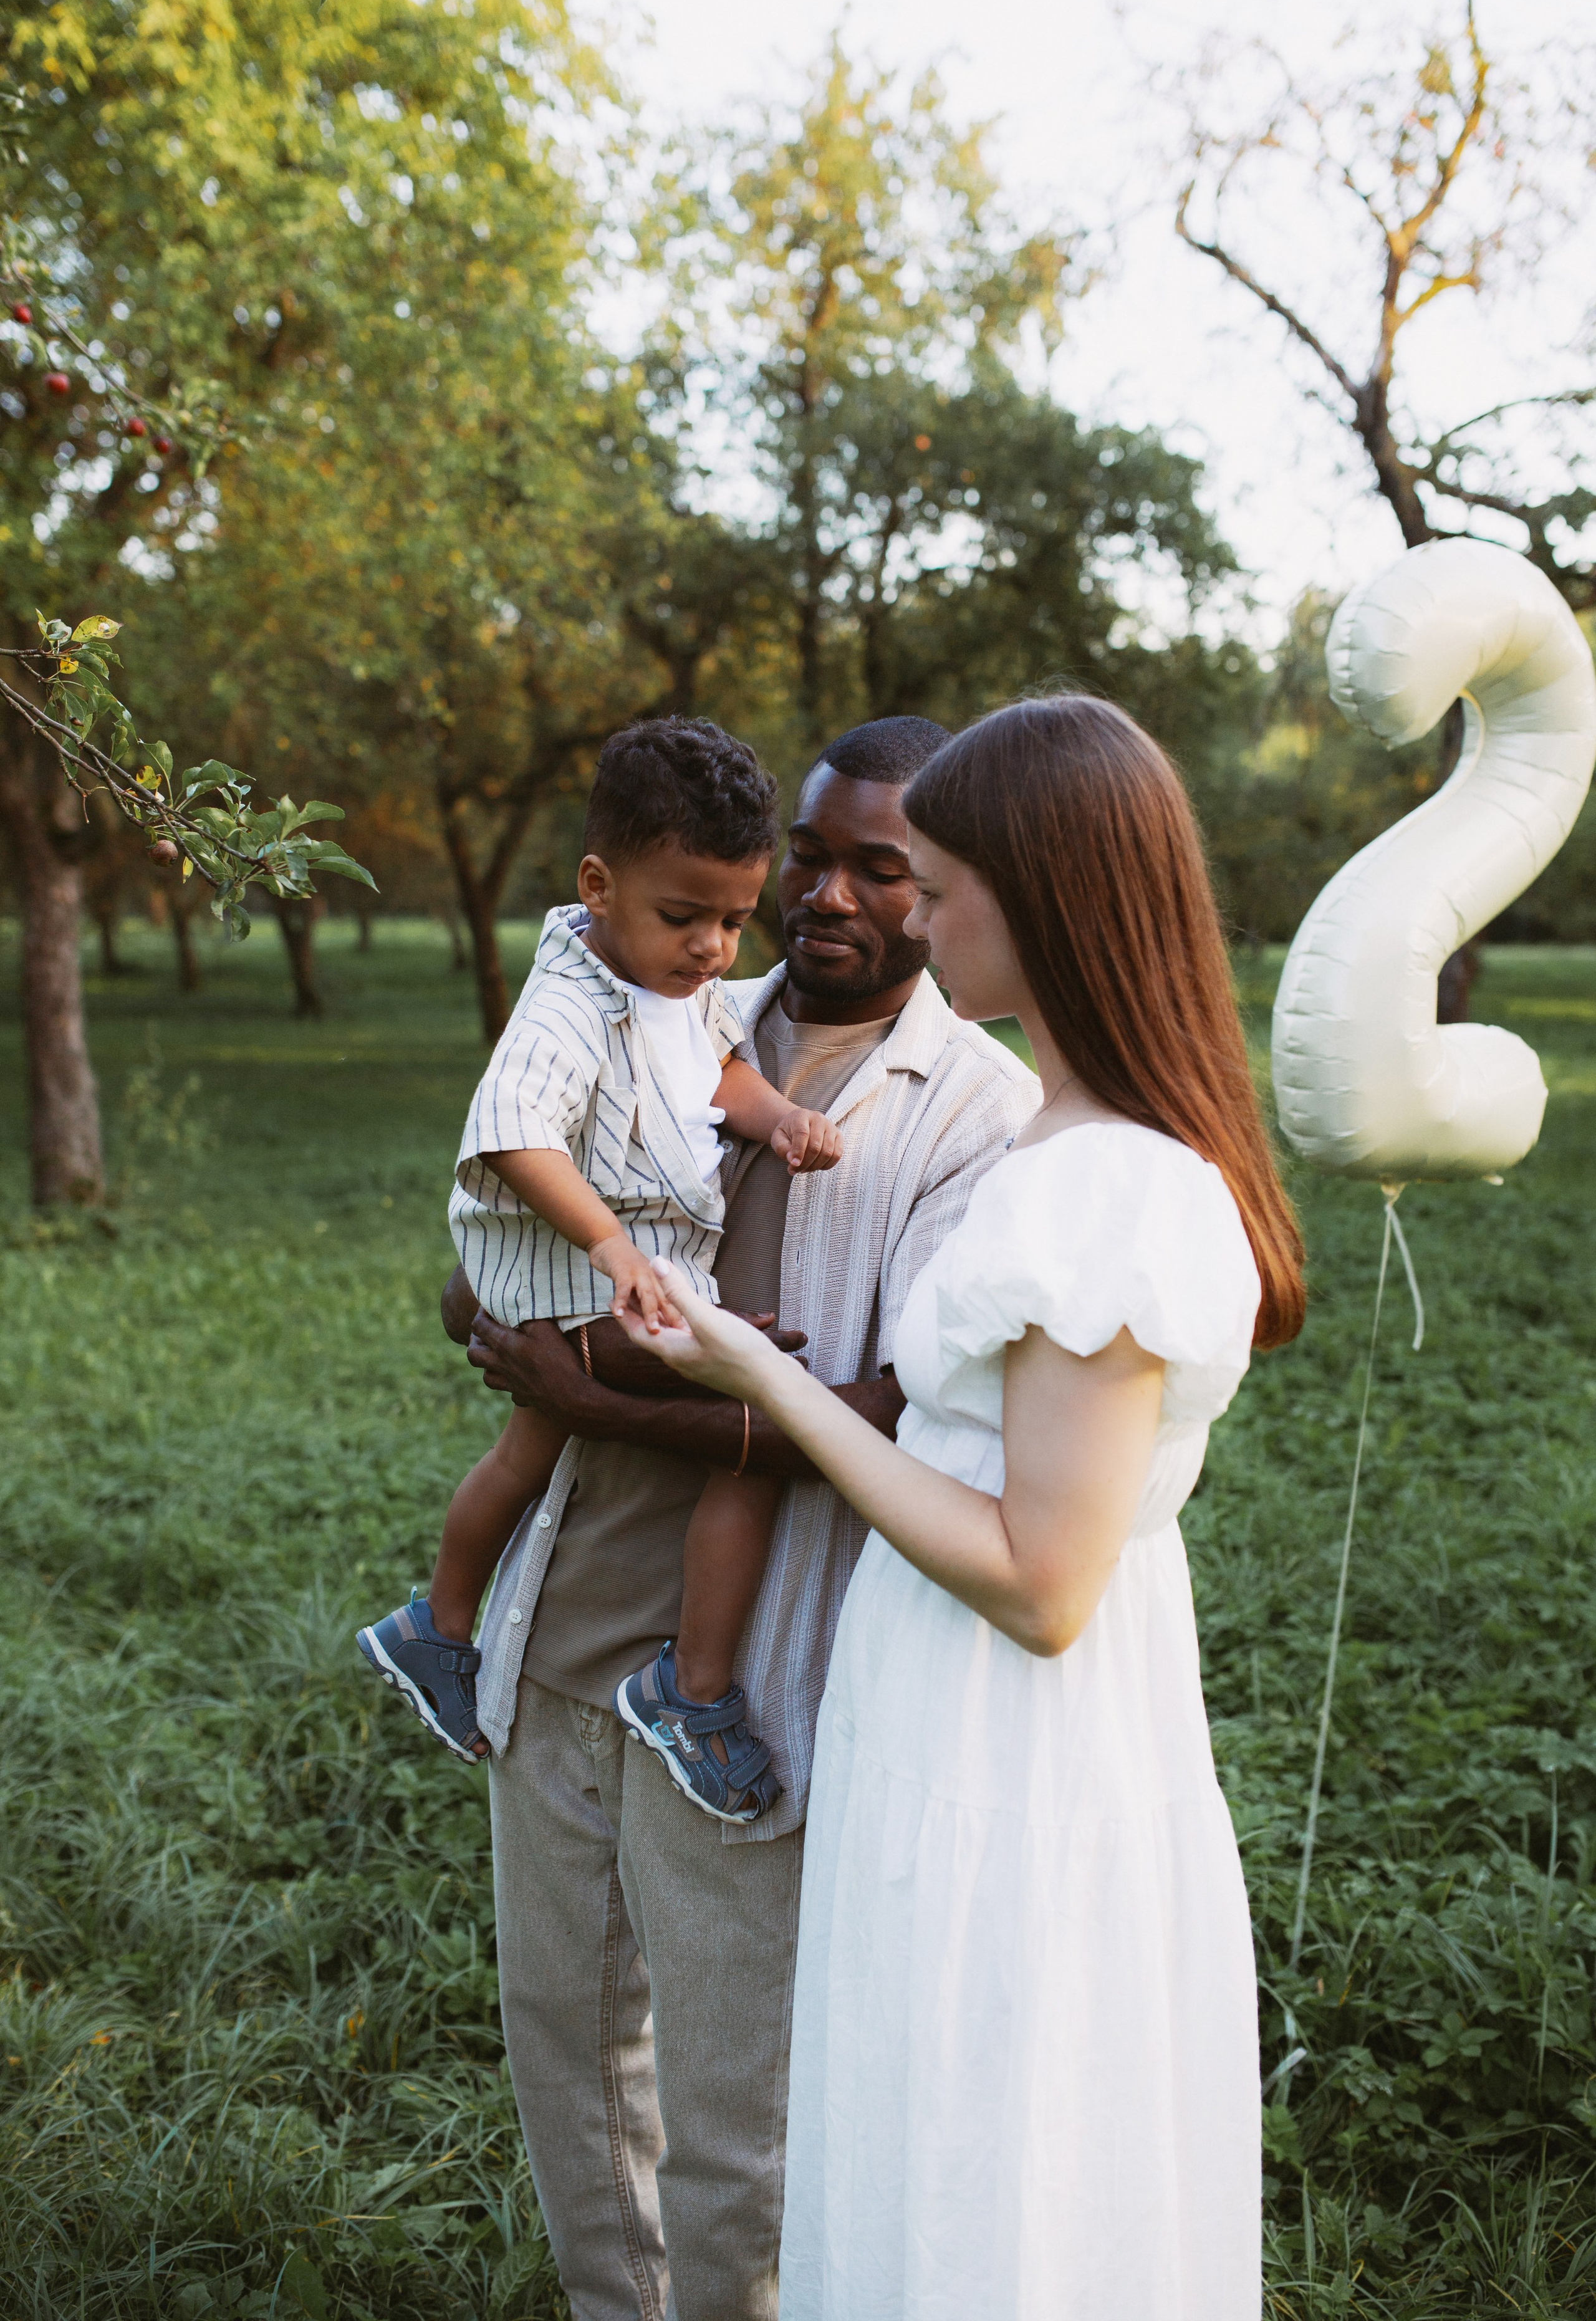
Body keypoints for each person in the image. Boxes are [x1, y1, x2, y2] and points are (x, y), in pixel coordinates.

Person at [612, 695, 1307, 2321]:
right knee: (935, 2149)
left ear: (1037, 894)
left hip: (1011, 1745)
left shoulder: (1099, 1187)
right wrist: (727, 1344)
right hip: (955, 1731)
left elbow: (1042, 1575)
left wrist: (765, 1388)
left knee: (997, 2175)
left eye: (933, 879)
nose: (912, 913)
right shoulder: (1087, 1146)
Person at [461, 716, 1039, 2321]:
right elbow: (494, 1245)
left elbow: (903, 1416)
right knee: (565, 2051)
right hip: (571, 1605)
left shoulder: (973, 1110)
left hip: (756, 1665)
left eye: (887, 870)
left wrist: (591, 1396)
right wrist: (513, 1317)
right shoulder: (658, 998)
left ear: (946, 890)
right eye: (812, 853)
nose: (829, 896)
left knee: (735, 2117)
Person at [357, 719, 844, 1818]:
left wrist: (779, 1120)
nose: (714, 948)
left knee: (526, 1456)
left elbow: (715, 1067)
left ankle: (434, 1627)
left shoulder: (677, 985)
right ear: (600, 885)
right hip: (572, 1285)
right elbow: (515, 1132)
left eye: (732, 919)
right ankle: (692, 1689)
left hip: (606, 1287)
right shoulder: (570, 1003)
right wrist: (613, 1246)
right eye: (685, 917)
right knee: (755, 1424)